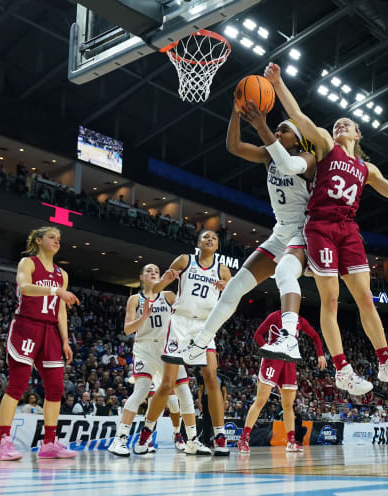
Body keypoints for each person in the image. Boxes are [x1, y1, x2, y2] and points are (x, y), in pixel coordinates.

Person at [263, 62, 388, 395]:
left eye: (349, 123)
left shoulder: (366, 168)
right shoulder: (327, 146)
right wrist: (278, 82)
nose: (341, 123)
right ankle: (342, 369)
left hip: (348, 230)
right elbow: (299, 118)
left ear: (358, 135)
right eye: (338, 122)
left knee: (366, 299)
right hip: (320, 227)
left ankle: (385, 363)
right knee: (330, 301)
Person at [185, 101, 317, 364]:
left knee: (284, 273)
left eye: (283, 131)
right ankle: (200, 342)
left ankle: (290, 336)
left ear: (298, 139)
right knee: (235, 287)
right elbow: (234, 147)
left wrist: (261, 126)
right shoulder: (269, 156)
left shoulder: (307, 159)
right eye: (276, 130)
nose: (277, 134)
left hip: (303, 233)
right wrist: (235, 112)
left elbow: (289, 166)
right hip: (280, 233)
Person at [134, 231, 231, 456]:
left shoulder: (223, 270)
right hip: (180, 324)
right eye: (206, 237)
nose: (210, 240)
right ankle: (146, 434)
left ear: (217, 245)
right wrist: (165, 280)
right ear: (198, 243)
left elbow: (232, 300)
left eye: (214, 238)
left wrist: (226, 289)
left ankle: (219, 435)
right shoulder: (185, 260)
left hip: (205, 326)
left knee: (211, 378)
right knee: (168, 384)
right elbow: (154, 290)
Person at [0, 226, 80, 461]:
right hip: (27, 326)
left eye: (59, 239)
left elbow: (61, 310)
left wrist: (65, 340)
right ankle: (3, 442)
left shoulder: (62, 273)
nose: (57, 241)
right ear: (39, 240)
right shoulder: (28, 263)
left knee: (56, 389)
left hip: (51, 332)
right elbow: (25, 288)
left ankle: (49, 443)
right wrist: (56, 290)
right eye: (52, 237)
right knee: (17, 385)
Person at [108, 264, 209, 457]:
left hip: (168, 347)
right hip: (144, 348)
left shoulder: (169, 296)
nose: (153, 272)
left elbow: (189, 308)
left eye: (156, 270)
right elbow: (128, 329)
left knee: (183, 394)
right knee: (141, 391)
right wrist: (143, 317)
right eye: (148, 270)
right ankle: (119, 440)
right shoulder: (135, 299)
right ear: (141, 277)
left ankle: (191, 440)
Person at [237, 311, 326, 454]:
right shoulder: (275, 316)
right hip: (272, 360)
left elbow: (315, 336)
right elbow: (258, 335)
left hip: (289, 362)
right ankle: (244, 438)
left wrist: (320, 354)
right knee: (261, 401)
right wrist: (268, 349)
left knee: (288, 405)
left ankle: (291, 441)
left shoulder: (300, 320)